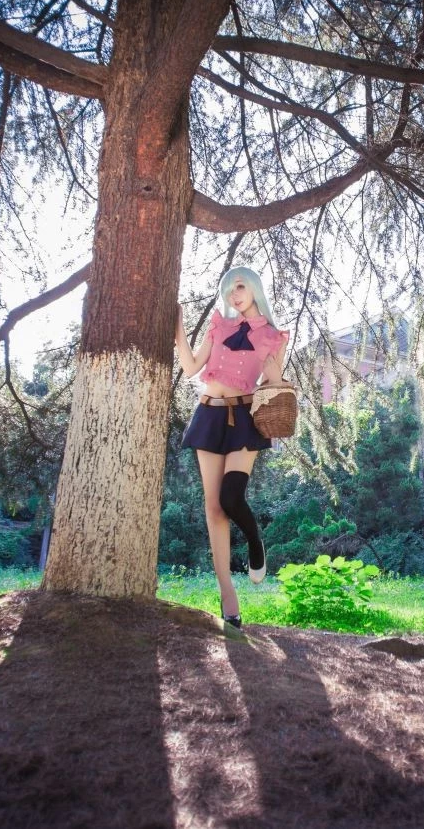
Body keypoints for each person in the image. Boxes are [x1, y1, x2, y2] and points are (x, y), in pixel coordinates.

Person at [174, 266, 289, 631]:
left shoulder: (273, 337)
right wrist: (178, 325)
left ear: (254, 288)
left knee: (231, 496)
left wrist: (273, 376)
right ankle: (228, 596)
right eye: (229, 290)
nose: (234, 295)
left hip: (244, 418)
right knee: (213, 509)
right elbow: (192, 366)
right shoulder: (219, 327)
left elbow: (274, 384)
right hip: (208, 415)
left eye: (240, 287)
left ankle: (255, 542)